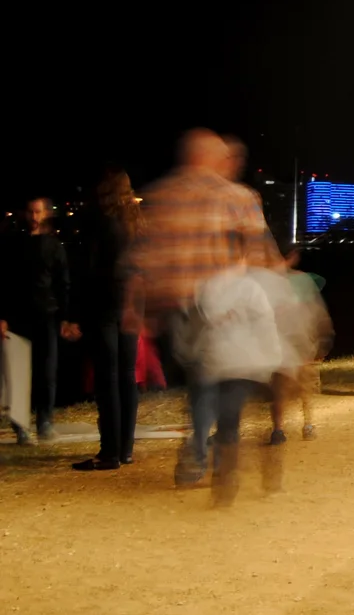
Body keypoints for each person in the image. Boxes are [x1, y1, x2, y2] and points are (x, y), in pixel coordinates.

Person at [132, 129, 285, 487]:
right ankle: (219, 452)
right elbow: (260, 249)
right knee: (228, 381)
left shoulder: (162, 195)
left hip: (181, 308)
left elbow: (145, 256)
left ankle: (198, 449)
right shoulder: (238, 197)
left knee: (200, 382)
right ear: (214, 158)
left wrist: (144, 309)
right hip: (223, 304)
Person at [174, 261, 285, 507]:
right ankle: (227, 480)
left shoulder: (249, 289)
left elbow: (265, 324)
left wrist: (272, 358)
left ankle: (260, 473)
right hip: (221, 366)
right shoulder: (207, 289)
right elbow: (195, 328)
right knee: (228, 421)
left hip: (245, 366)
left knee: (237, 420)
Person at [71, 170, 145, 470]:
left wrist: (76, 311)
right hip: (132, 304)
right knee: (127, 376)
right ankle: (125, 449)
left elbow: (89, 268)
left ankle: (109, 452)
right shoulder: (137, 222)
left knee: (107, 377)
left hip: (104, 304)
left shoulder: (101, 222)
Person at [0, 197, 75, 443]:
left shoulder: (53, 246)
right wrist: (4, 317)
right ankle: (21, 425)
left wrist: (64, 317)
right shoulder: (14, 244)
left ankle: (45, 421)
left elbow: (63, 283)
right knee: (19, 373)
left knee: (47, 372)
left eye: (38, 212)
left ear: (45, 214)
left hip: (47, 315)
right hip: (19, 317)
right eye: (31, 212)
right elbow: (6, 283)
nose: (34, 217)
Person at [267, 269, 333, 445]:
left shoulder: (278, 305)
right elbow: (320, 326)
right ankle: (306, 425)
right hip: (300, 351)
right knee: (303, 392)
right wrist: (319, 348)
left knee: (283, 393)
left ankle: (279, 429)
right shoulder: (307, 306)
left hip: (288, 353)